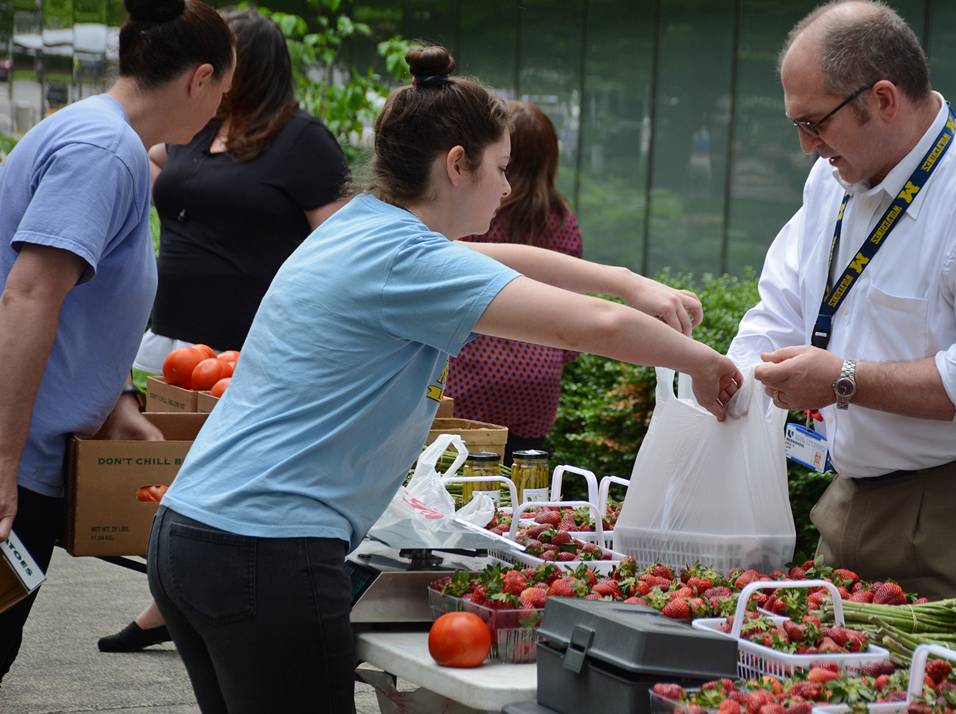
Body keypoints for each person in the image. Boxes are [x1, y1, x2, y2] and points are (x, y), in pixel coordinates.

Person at [147, 45, 741, 712]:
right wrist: (708, 365)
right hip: (266, 553)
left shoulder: (361, 228)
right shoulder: (408, 261)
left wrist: (630, 282)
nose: (509, 188)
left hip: (193, 535)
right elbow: (593, 328)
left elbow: (495, 257)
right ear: (458, 164)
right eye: (501, 168)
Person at [727, 0, 956, 601]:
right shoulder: (833, 178)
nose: (807, 147)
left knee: (928, 685)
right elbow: (782, 306)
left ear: (884, 99)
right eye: (797, 126)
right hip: (850, 493)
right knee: (820, 672)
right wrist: (728, 381)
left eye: (815, 123)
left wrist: (843, 381)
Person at [97, 8, 349, 654]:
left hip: (241, 352)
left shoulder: (300, 140)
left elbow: (341, 244)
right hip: (169, 343)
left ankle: (167, 609)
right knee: (173, 483)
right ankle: (173, 599)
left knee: (211, 487)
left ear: (253, 66)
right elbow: (151, 162)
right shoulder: (193, 128)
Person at [0, 0, 235, 684]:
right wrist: (4, 462)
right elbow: (30, 295)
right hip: (18, 460)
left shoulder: (100, 140)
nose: (221, 107)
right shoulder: (104, 151)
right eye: (224, 89)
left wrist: (119, 396)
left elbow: (81, 304)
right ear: (198, 79)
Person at [447, 100, 581, 460]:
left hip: (472, 373)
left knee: (461, 477)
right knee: (522, 480)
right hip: (539, 379)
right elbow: (572, 310)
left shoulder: (477, 213)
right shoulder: (560, 219)